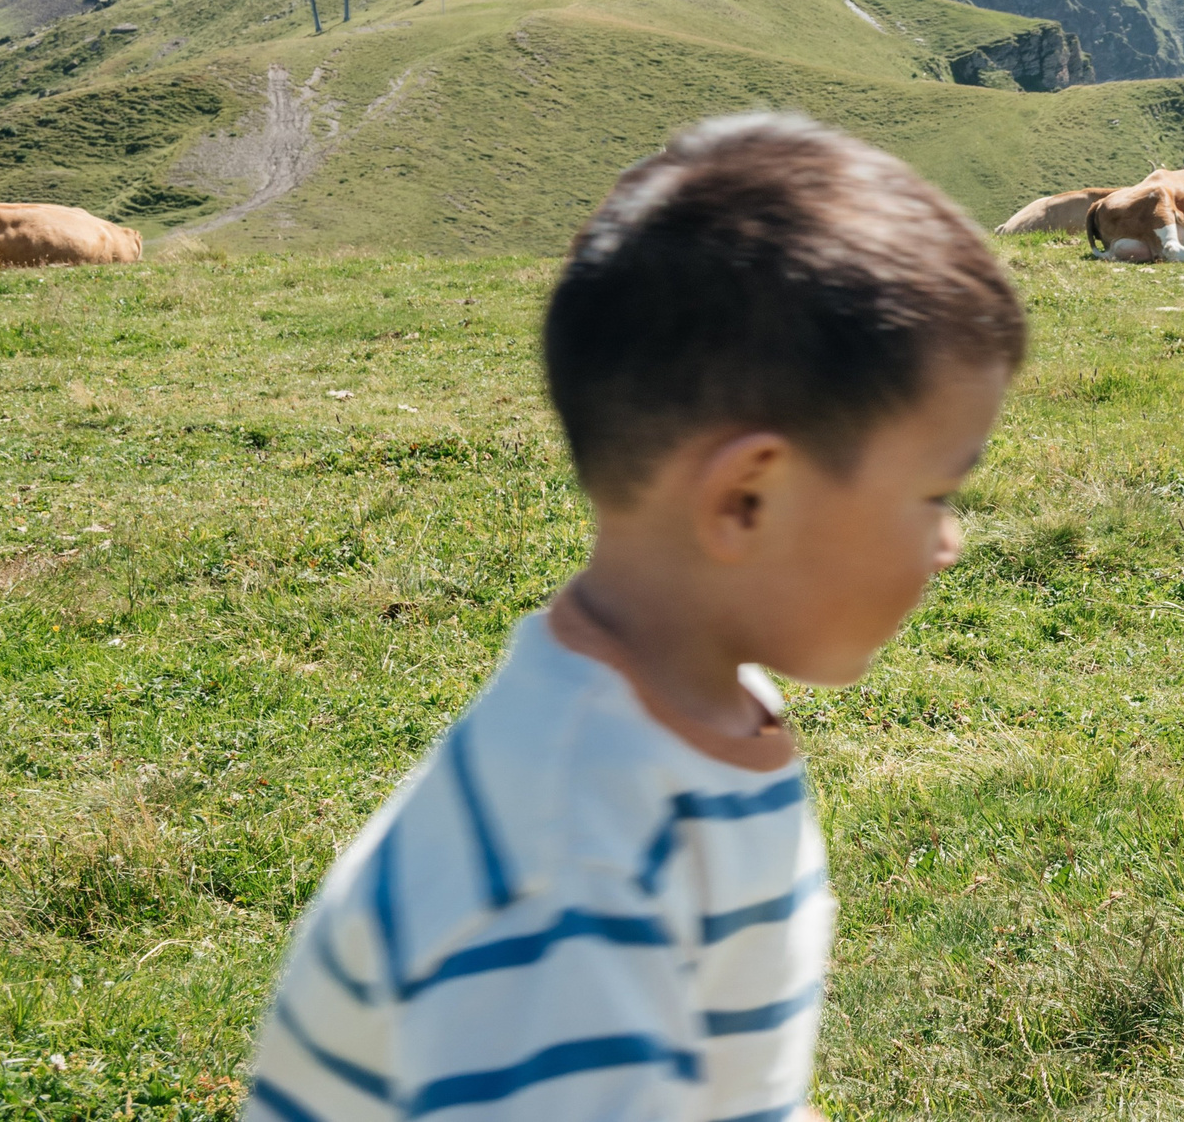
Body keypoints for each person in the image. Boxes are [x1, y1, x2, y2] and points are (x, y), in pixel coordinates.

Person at [240, 115, 1026, 1121]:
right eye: (936, 493)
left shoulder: (700, 704)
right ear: (747, 499)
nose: (950, 540)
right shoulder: (567, 872)